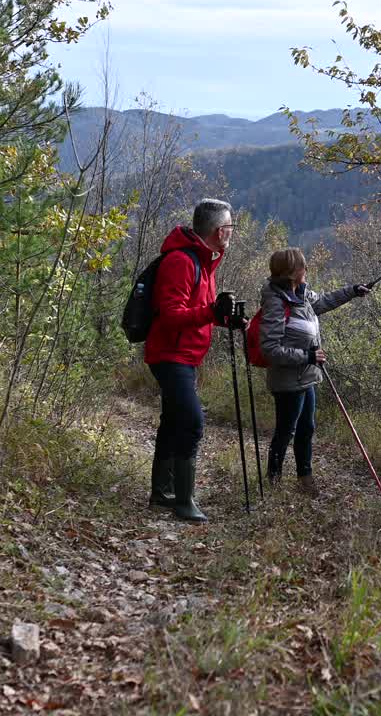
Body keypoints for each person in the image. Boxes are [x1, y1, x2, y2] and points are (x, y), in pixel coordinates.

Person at [145, 198, 246, 522]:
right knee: (191, 421)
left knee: (173, 421)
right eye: (230, 227)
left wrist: (225, 319)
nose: (232, 232)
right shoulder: (181, 261)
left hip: (184, 355)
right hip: (170, 354)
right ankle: (183, 501)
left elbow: (197, 310)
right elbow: (171, 315)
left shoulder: (204, 261)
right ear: (219, 231)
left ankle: (162, 492)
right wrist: (210, 312)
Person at [258, 248, 372, 496]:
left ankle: (305, 480)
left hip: (307, 376)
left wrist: (352, 291)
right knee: (285, 431)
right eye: (302, 267)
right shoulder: (275, 301)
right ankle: (273, 483)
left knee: (307, 427)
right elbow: (270, 349)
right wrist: (307, 356)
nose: (306, 270)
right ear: (291, 273)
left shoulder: (300, 293)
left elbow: (322, 302)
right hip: (288, 380)